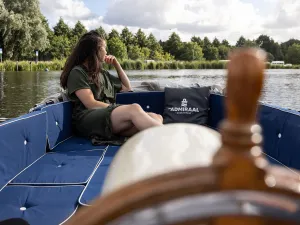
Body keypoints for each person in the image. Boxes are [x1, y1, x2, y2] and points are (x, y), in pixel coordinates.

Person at [60, 31, 163, 141]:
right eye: (104, 48)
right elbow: (90, 104)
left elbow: (127, 88)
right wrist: (121, 109)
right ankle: (170, 139)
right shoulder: (77, 72)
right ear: (95, 50)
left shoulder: (102, 73)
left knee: (156, 117)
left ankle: (157, 144)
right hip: (86, 118)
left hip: (107, 115)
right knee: (134, 109)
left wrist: (116, 64)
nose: (106, 52)